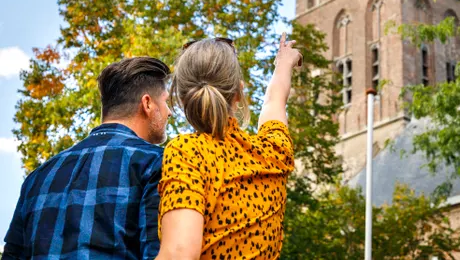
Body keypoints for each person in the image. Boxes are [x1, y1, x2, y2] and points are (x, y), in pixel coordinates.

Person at [3, 57, 172, 260]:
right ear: (147, 103)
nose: (169, 112)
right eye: (166, 102)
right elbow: (159, 254)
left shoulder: (38, 176)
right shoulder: (155, 163)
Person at [156, 33, 302, 260]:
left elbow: (179, 253)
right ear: (239, 92)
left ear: (183, 99)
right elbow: (275, 100)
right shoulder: (273, 151)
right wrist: (284, 62)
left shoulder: (187, 152)